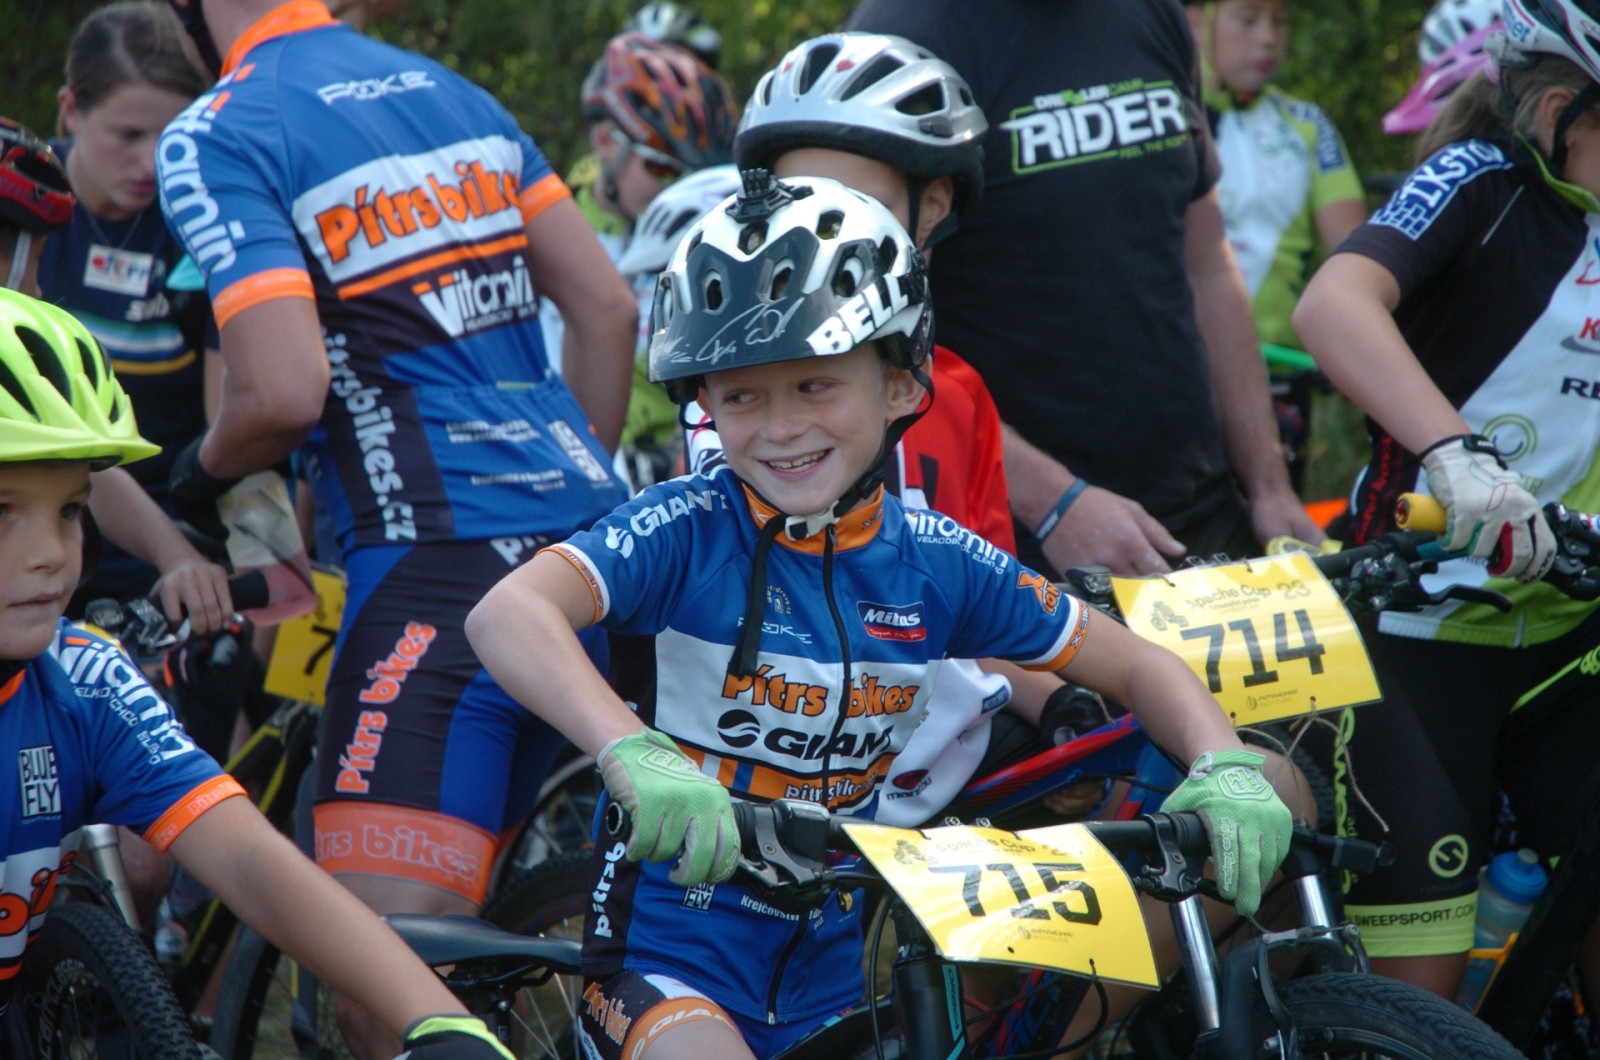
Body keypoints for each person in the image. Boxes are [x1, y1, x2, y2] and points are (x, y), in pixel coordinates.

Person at [466, 172, 1294, 1060]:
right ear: (704, 404)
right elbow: (507, 613)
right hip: (668, 962)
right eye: (741, 396)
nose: (780, 427)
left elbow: (1138, 665)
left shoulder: (936, 560)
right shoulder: (685, 525)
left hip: (834, 978)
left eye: (815, 385)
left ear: (901, 386)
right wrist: (632, 749)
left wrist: (1224, 761)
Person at [157, 0, 637, 1053]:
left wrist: (196, 472)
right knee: (492, 953)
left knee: (393, 994)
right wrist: (554, 508)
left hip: (435, 576)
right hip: (591, 557)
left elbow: (282, 390)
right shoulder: (452, 92)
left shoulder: (220, 128)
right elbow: (607, 310)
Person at [0, 286, 512, 1059]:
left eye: (71, 510)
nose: (50, 554)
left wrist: (439, 1020)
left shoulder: (83, 680)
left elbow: (250, 861)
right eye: (3, 511)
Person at [1293, 0, 1600, 999]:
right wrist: (1455, 455)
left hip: (1573, 633)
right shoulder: (1480, 180)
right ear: (1556, 112)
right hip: (1416, 629)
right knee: (1417, 994)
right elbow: (1331, 303)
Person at [845, 0, 1322, 580]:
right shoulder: (906, 32)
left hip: (1200, 514)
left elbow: (1208, 264)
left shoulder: (1154, 12)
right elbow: (878, 335)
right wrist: (1054, 504)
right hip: (1018, 541)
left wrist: (1270, 486)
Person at [35, 3, 235, 637]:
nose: (151, 163)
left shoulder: (204, 222)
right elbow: (56, 433)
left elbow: (233, 431)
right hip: (34, 540)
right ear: (71, 110)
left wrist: (203, 560)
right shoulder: (19, 215)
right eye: (128, 135)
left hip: (178, 555)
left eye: (170, 138)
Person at [542, 31, 737, 484]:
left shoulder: (706, 238)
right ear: (607, 142)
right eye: (661, 168)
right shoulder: (547, 235)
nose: (678, 192)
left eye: (694, 178)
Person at [1186, 0, 1366, 352]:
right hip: (1189, 364)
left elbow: (1355, 255)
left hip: (1287, 368)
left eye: (1280, 21)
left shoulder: (1308, 124)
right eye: (1248, 19)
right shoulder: (1167, 122)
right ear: (1195, 23)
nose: (1268, 38)